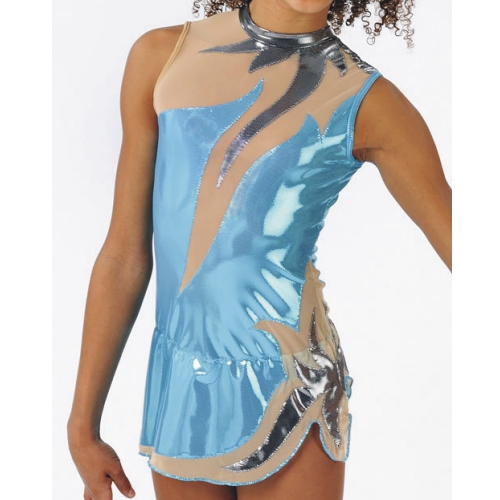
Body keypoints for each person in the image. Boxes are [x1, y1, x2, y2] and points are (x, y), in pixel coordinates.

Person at [67, 0, 452, 499]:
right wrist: (82, 425)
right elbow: (124, 254)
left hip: (291, 389)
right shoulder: (161, 57)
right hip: (181, 383)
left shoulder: (367, 100)